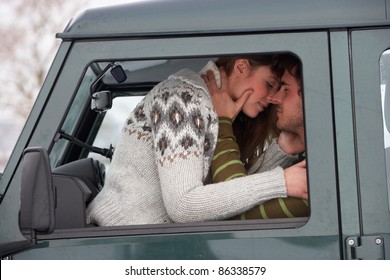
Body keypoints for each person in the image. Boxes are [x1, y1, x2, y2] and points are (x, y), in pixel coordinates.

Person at [86, 55, 307, 226]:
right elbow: (183, 205)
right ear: (241, 67)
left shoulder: (217, 112)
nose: (272, 97)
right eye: (270, 84)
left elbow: (233, 195)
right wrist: (281, 182)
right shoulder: (180, 99)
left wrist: (284, 148)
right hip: (120, 246)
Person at [203, 54, 308, 220]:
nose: (274, 98)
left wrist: (222, 121)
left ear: (311, 96)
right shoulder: (309, 157)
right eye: (272, 85)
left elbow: (234, 210)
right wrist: (283, 149)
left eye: (285, 89)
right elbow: (251, 196)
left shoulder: (321, 173)